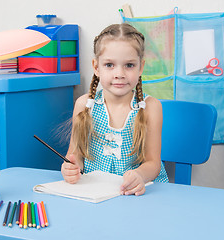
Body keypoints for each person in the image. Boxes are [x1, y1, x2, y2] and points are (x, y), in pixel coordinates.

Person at [61, 23, 168, 196]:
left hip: (137, 193)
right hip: (95, 192)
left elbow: (153, 163)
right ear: (96, 67)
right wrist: (71, 168)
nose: (119, 73)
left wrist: (140, 175)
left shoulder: (151, 107)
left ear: (141, 67)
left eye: (129, 65)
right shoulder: (84, 105)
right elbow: (75, 155)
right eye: (110, 65)